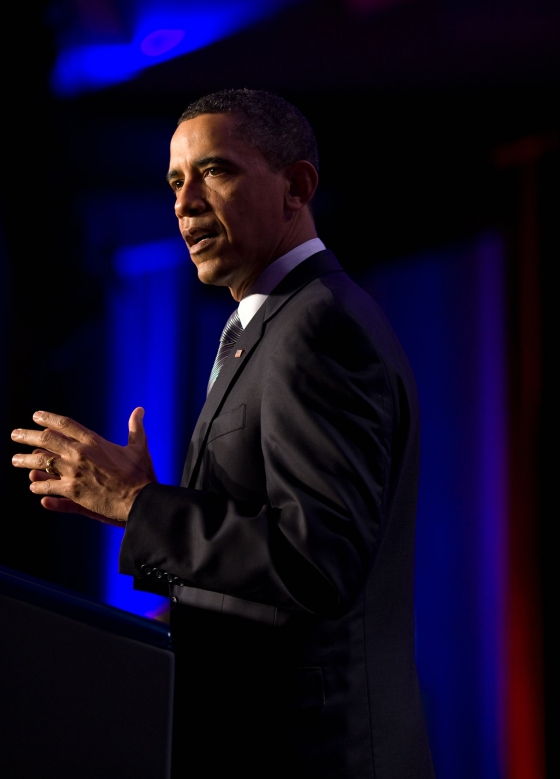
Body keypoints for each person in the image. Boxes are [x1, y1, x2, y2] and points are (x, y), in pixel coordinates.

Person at [11, 90, 435, 778]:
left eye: (215, 171)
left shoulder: (319, 327)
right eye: (176, 182)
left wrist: (138, 506)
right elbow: (268, 560)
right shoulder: (261, 329)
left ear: (296, 187)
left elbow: (317, 561)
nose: (184, 203)